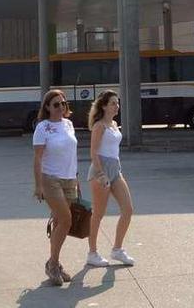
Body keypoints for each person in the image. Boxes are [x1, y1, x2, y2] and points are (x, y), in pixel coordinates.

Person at [85, 90, 135, 267]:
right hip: (100, 171)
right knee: (98, 214)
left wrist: (115, 170)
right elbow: (94, 152)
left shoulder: (114, 124)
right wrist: (101, 174)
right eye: (113, 103)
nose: (117, 106)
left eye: (117, 103)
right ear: (104, 106)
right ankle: (92, 253)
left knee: (128, 209)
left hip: (115, 169)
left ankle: (117, 249)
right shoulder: (99, 126)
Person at [32, 89, 77, 286]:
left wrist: (76, 178)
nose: (61, 107)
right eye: (56, 104)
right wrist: (38, 185)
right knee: (66, 220)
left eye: (63, 103)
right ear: (48, 108)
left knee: (60, 223)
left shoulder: (69, 124)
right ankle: (53, 264)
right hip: (51, 180)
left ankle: (54, 264)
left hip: (69, 179)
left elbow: (71, 154)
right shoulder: (43, 127)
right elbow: (38, 158)